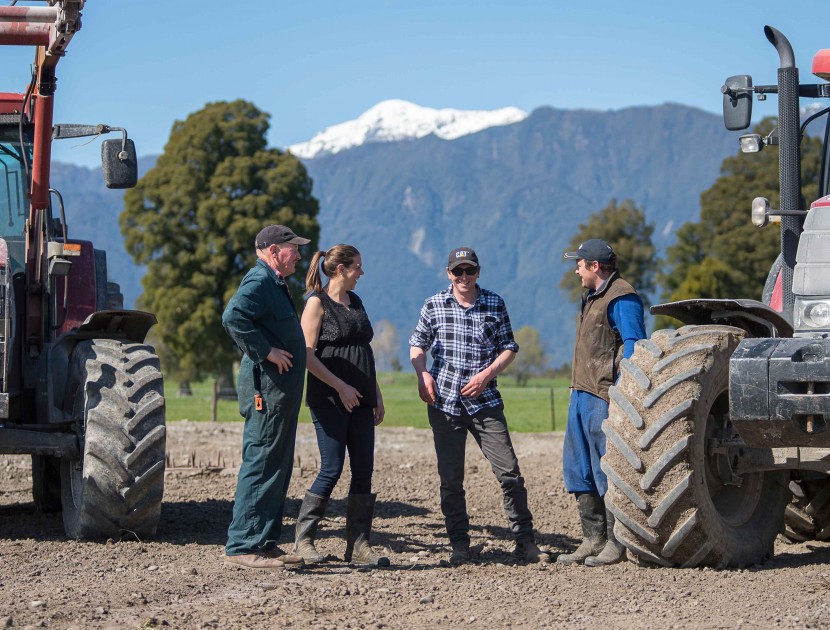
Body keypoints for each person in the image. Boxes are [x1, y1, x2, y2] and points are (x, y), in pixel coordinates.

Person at [409, 247, 550, 566]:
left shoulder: (494, 303)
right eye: (457, 271)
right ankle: (459, 544)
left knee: (510, 473)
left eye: (469, 271)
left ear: (478, 272)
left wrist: (487, 375)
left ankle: (525, 542)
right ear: (448, 274)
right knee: (451, 479)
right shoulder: (434, 305)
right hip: (444, 403)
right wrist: (422, 375)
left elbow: (509, 347)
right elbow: (418, 343)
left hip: (485, 403)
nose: (463, 277)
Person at [293, 245, 390, 568]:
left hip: (361, 398)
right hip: (330, 399)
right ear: (340, 269)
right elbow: (307, 356)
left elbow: (363, 351)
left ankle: (360, 545)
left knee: (364, 470)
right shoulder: (316, 303)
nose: (362, 273)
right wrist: (341, 386)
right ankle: (304, 540)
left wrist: (374, 392)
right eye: (357, 267)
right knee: (331, 468)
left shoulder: (356, 302)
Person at [221, 224, 310, 571]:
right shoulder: (259, 282)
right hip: (267, 394)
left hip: (280, 395)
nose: (299, 255)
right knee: (261, 463)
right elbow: (233, 316)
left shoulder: (274, 283)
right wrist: (267, 351)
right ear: (274, 250)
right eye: (294, 249)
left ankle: (265, 541)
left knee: (277, 466)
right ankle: (244, 545)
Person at [558, 238, 646, 567]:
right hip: (581, 393)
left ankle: (616, 542)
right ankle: (592, 539)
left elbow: (635, 346)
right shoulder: (592, 296)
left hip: (603, 397)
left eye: (579, 264)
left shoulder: (622, 297)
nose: (576, 269)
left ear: (596, 267)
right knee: (579, 470)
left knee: (604, 470)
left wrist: (624, 395)